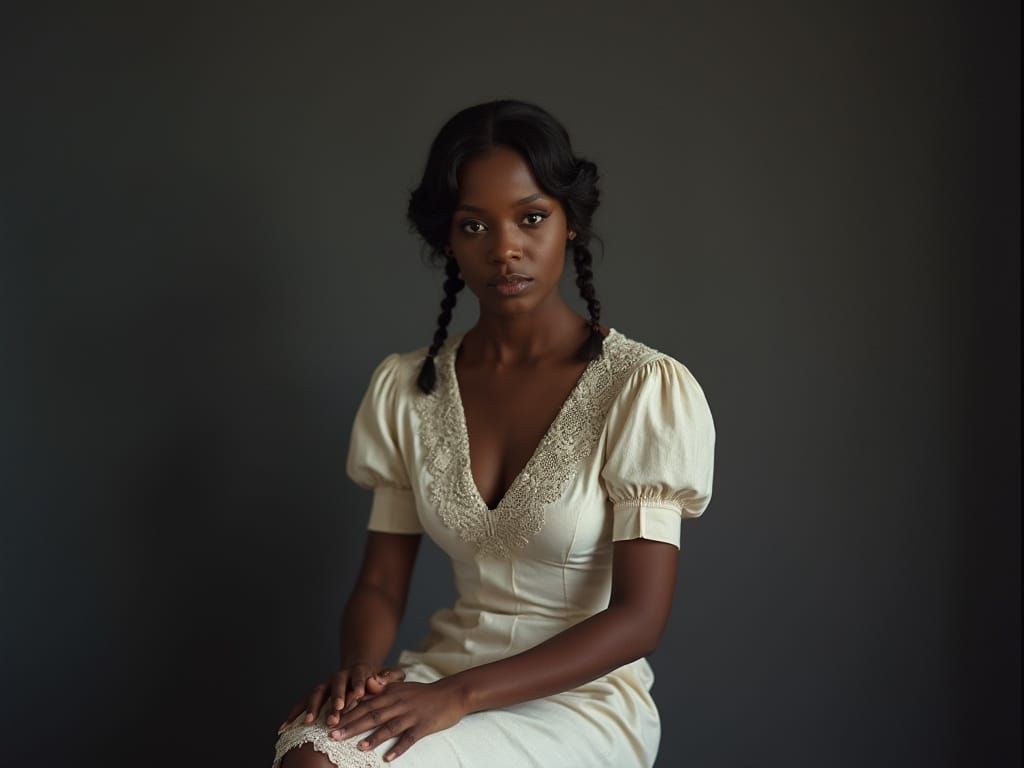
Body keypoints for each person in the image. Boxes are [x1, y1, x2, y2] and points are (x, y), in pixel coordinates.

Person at [272, 99, 716, 768]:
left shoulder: (640, 388)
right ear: (447, 240)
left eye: (531, 217)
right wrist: (359, 672)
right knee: (314, 750)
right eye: (473, 225)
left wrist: (459, 696)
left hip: (579, 700)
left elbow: (639, 619)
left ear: (569, 222)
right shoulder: (409, 388)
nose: (504, 249)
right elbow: (382, 584)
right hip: (442, 674)